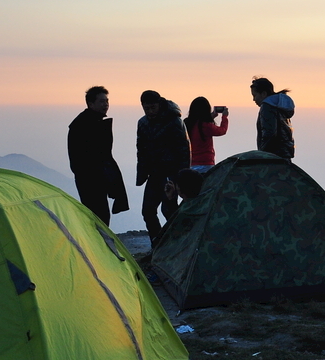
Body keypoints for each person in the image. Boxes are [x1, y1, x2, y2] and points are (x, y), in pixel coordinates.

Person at [67, 86, 129, 225]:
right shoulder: (82, 125)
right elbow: (80, 159)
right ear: (90, 103)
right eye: (101, 101)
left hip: (98, 178)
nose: (106, 104)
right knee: (98, 217)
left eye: (107, 101)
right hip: (90, 180)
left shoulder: (95, 122)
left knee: (101, 217)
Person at [136, 90, 190, 243]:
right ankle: (158, 242)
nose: (150, 111)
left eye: (153, 107)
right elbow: (141, 149)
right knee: (147, 210)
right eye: (146, 108)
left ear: (159, 104)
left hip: (171, 173)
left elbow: (184, 150)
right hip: (154, 174)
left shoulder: (174, 121)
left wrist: (181, 178)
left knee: (169, 210)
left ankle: (179, 242)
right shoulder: (143, 123)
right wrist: (141, 174)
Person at [250, 77, 295, 159]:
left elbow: (269, 133)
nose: (253, 99)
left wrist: (262, 154)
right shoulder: (279, 106)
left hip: (272, 155)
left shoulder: (267, 107)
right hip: (285, 153)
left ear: (263, 94)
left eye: (255, 95)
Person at [185, 96, 229, 172]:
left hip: (191, 163)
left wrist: (212, 116)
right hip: (206, 163)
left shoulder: (187, 123)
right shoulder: (206, 126)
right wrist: (224, 117)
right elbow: (222, 130)